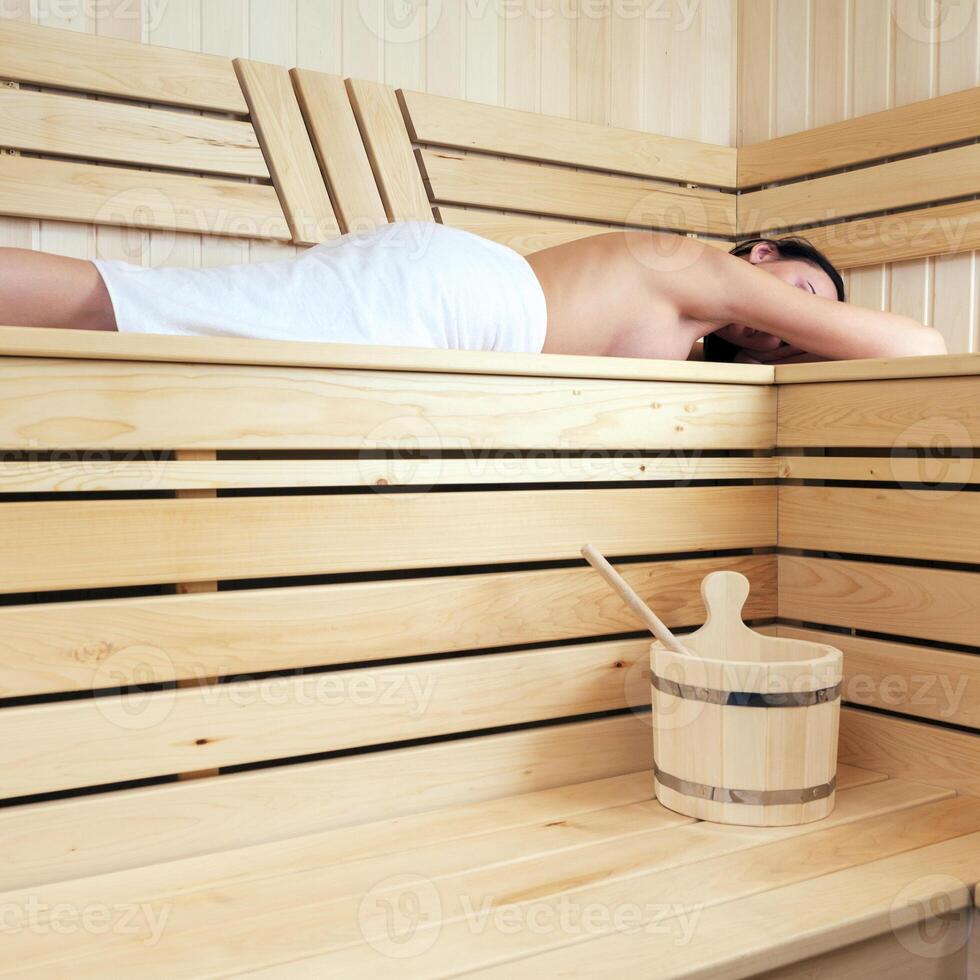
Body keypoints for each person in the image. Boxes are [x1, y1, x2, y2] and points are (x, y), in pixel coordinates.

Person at [0, 221, 946, 362]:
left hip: (465, 318)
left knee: (154, 321)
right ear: (764, 249)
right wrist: (819, 328)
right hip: (461, 305)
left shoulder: (698, 329)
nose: (795, 326)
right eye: (803, 296)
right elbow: (920, 350)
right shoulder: (709, 269)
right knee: (126, 307)